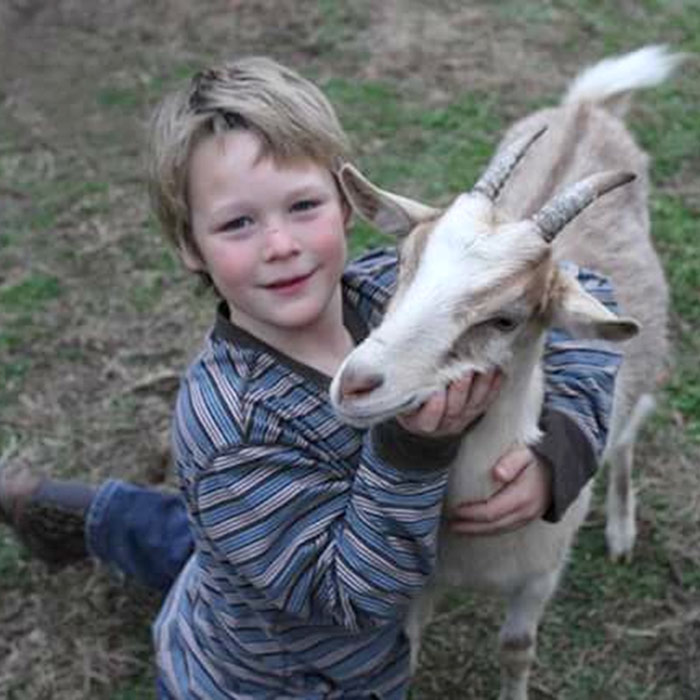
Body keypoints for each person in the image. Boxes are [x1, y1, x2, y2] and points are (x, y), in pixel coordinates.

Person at [0, 56, 620, 698]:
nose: (280, 245)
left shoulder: (394, 287)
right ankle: (99, 523)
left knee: (213, 549)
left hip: (260, 540)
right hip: (281, 677)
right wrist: (414, 450)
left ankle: (87, 514)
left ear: (348, 204)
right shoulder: (230, 427)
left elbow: (581, 294)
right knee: (232, 567)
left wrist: (563, 447)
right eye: (239, 222)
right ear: (190, 246)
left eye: (303, 205)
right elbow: (348, 600)